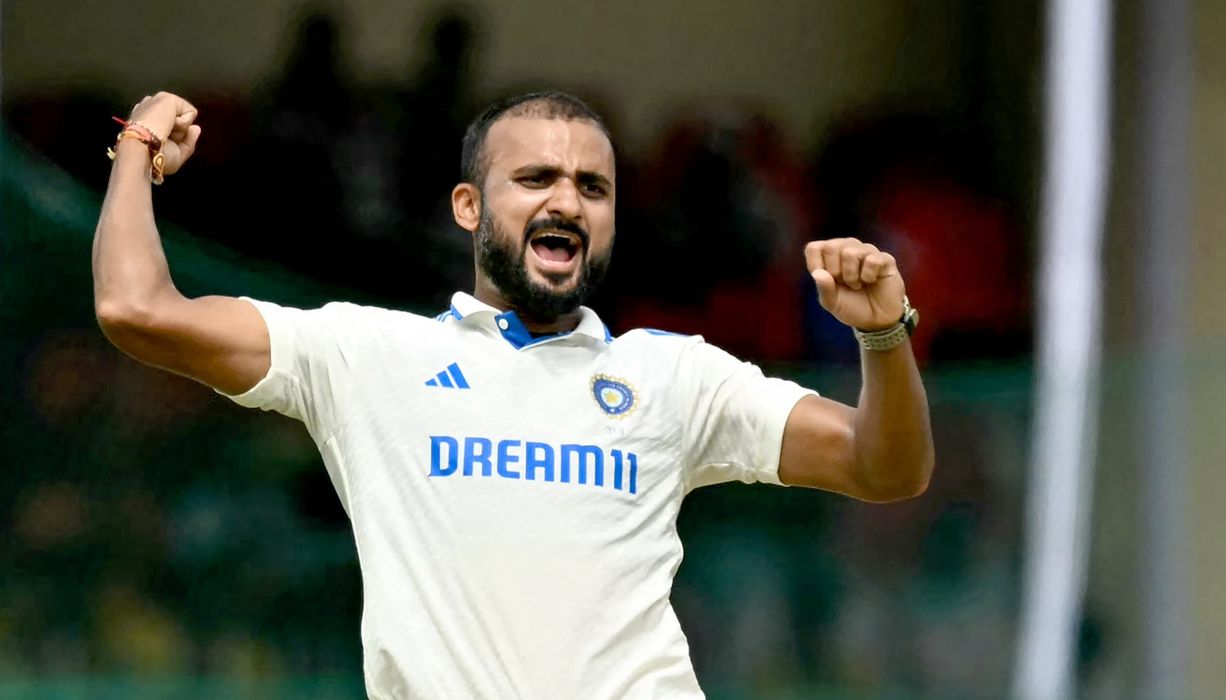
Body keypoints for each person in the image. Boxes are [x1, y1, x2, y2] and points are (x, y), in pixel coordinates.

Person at [93, 90, 934, 699]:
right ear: (468, 206)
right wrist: (137, 149)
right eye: (534, 178)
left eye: (591, 187)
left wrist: (883, 335)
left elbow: (883, 467)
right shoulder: (368, 353)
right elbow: (137, 310)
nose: (566, 198)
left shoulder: (676, 376)